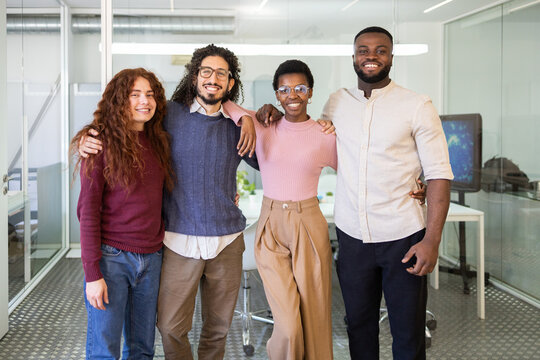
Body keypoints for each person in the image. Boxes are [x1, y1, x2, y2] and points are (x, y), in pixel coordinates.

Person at [78, 44, 275, 360]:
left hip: (226, 241)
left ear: (231, 83)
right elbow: (122, 124)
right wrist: (89, 135)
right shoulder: (167, 116)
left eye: (222, 74)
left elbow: (272, 162)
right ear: (194, 76)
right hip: (175, 242)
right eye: (206, 71)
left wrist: (261, 116)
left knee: (217, 331)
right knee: (168, 327)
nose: (213, 79)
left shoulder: (238, 124)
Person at [322, 27, 453, 360]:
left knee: (408, 332)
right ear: (353, 56)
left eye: (380, 50)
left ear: (391, 57)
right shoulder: (337, 102)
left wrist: (432, 240)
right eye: (364, 50)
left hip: (404, 236)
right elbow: (307, 135)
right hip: (352, 236)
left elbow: (438, 174)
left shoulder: (417, 105)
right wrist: (271, 115)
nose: (371, 56)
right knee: (358, 327)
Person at [227, 59, 337, 359]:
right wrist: (247, 120)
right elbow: (225, 104)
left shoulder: (326, 135)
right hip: (271, 225)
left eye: (300, 88)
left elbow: (356, 173)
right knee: (288, 323)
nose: (293, 95)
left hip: (309, 222)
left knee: (314, 315)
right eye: (285, 89)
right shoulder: (264, 126)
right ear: (276, 94)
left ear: (310, 92)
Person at [71, 68, 174, 359]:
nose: (145, 101)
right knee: (105, 350)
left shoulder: (158, 141)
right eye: (135, 94)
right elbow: (87, 212)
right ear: (120, 100)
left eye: (150, 95)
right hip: (111, 259)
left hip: (151, 259)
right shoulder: (100, 144)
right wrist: (92, 274)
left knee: (142, 348)